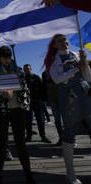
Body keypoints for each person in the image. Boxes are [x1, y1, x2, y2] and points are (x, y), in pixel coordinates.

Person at [0, 47, 35, 184]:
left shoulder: (17, 70)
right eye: (4, 57)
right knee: (1, 143)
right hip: (1, 111)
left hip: (17, 109)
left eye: (8, 57)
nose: (7, 60)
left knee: (21, 142)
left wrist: (20, 98)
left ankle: (28, 174)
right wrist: (2, 94)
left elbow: (25, 89)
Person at [44, 34, 91, 184]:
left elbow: (88, 77)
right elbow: (57, 79)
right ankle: (70, 173)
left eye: (65, 40)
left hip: (86, 95)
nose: (64, 42)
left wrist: (84, 64)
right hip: (69, 99)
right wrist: (75, 69)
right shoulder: (53, 60)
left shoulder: (76, 55)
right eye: (60, 41)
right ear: (55, 45)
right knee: (70, 132)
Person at [23, 64, 51, 143]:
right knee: (28, 120)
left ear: (31, 69)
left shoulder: (36, 77)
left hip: (37, 101)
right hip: (27, 102)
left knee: (40, 120)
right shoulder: (23, 79)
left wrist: (43, 99)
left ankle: (43, 136)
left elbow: (42, 88)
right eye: (25, 69)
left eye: (28, 68)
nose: (26, 70)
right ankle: (29, 136)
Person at [42, 71, 64, 146]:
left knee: (66, 120)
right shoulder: (45, 74)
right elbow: (44, 87)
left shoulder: (60, 70)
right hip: (52, 99)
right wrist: (45, 99)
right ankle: (61, 138)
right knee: (57, 120)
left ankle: (69, 140)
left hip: (63, 98)